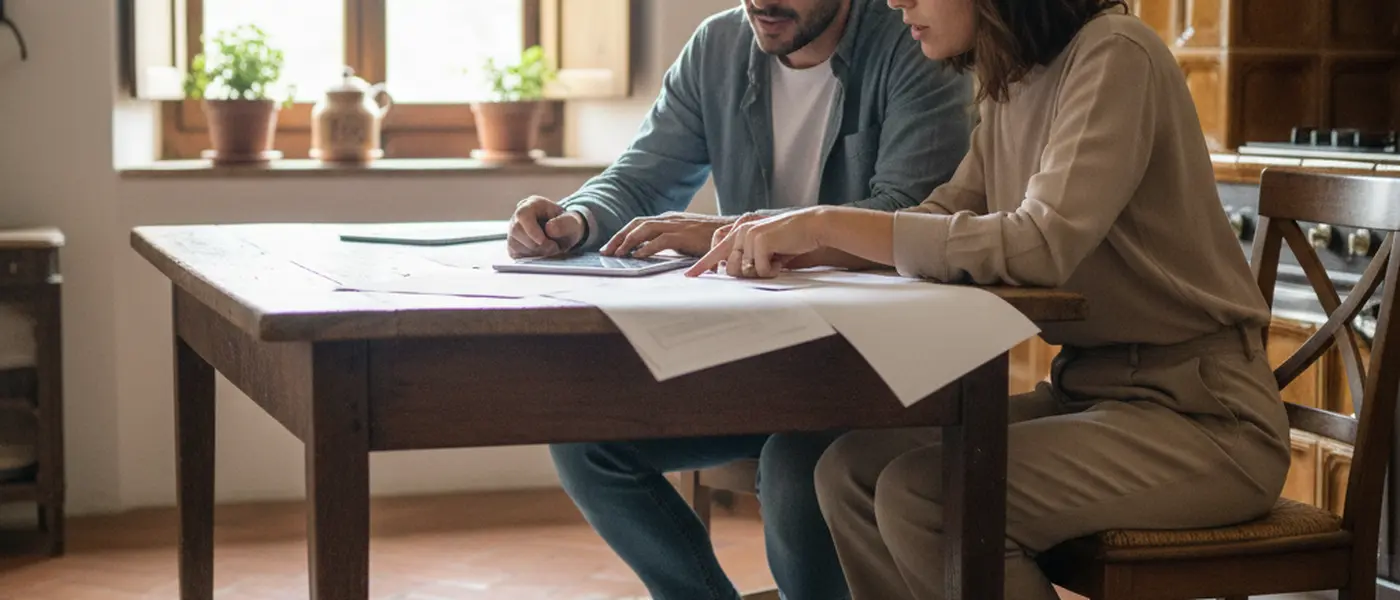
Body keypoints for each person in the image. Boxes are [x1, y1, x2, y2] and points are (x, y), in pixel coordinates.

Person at [685, 0, 1292, 598]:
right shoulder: (1012, 82)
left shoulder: (1115, 54)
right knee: (850, 474)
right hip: (1089, 394)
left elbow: (1040, 242)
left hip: (1205, 421)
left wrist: (821, 225)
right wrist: (799, 245)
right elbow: (942, 217)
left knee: (926, 497)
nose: (896, 0)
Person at [530, 1, 973, 599]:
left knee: (796, 468)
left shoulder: (914, 43)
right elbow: (640, 178)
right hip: (760, 362)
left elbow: (910, 217)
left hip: (874, 370)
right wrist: (575, 220)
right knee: (585, 438)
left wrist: (730, 229)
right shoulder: (718, 45)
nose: (761, 2)